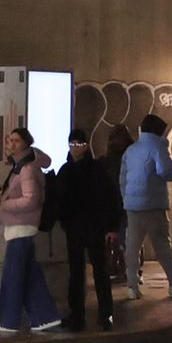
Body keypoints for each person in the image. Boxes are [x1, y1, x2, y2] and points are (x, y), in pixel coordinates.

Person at [53, 125, 121, 330]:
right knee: (78, 271)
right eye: (72, 144)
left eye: (79, 144)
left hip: (92, 226)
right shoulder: (69, 170)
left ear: (85, 146)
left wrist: (111, 226)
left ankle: (103, 314)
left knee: (98, 270)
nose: (75, 148)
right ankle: (81, 314)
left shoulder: (94, 169)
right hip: (78, 227)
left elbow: (108, 197)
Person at [119, 114, 172, 306]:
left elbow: (123, 178)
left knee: (132, 247)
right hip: (153, 205)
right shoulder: (158, 147)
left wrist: (126, 199)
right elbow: (165, 172)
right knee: (162, 247)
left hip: (132, 206)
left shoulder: (131, 150)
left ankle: (132, 286)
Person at [0, 140, 59, 333]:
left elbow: (30, 200)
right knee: (31, 276)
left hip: (21, 228)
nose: (9, 144)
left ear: (25, 145)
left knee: (12, 278)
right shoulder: (20, 168)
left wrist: (3, 205)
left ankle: (8, 321)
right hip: (18, 228)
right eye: (9, 141)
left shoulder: (27, 169)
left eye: (15, 141)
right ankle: (45, 317)